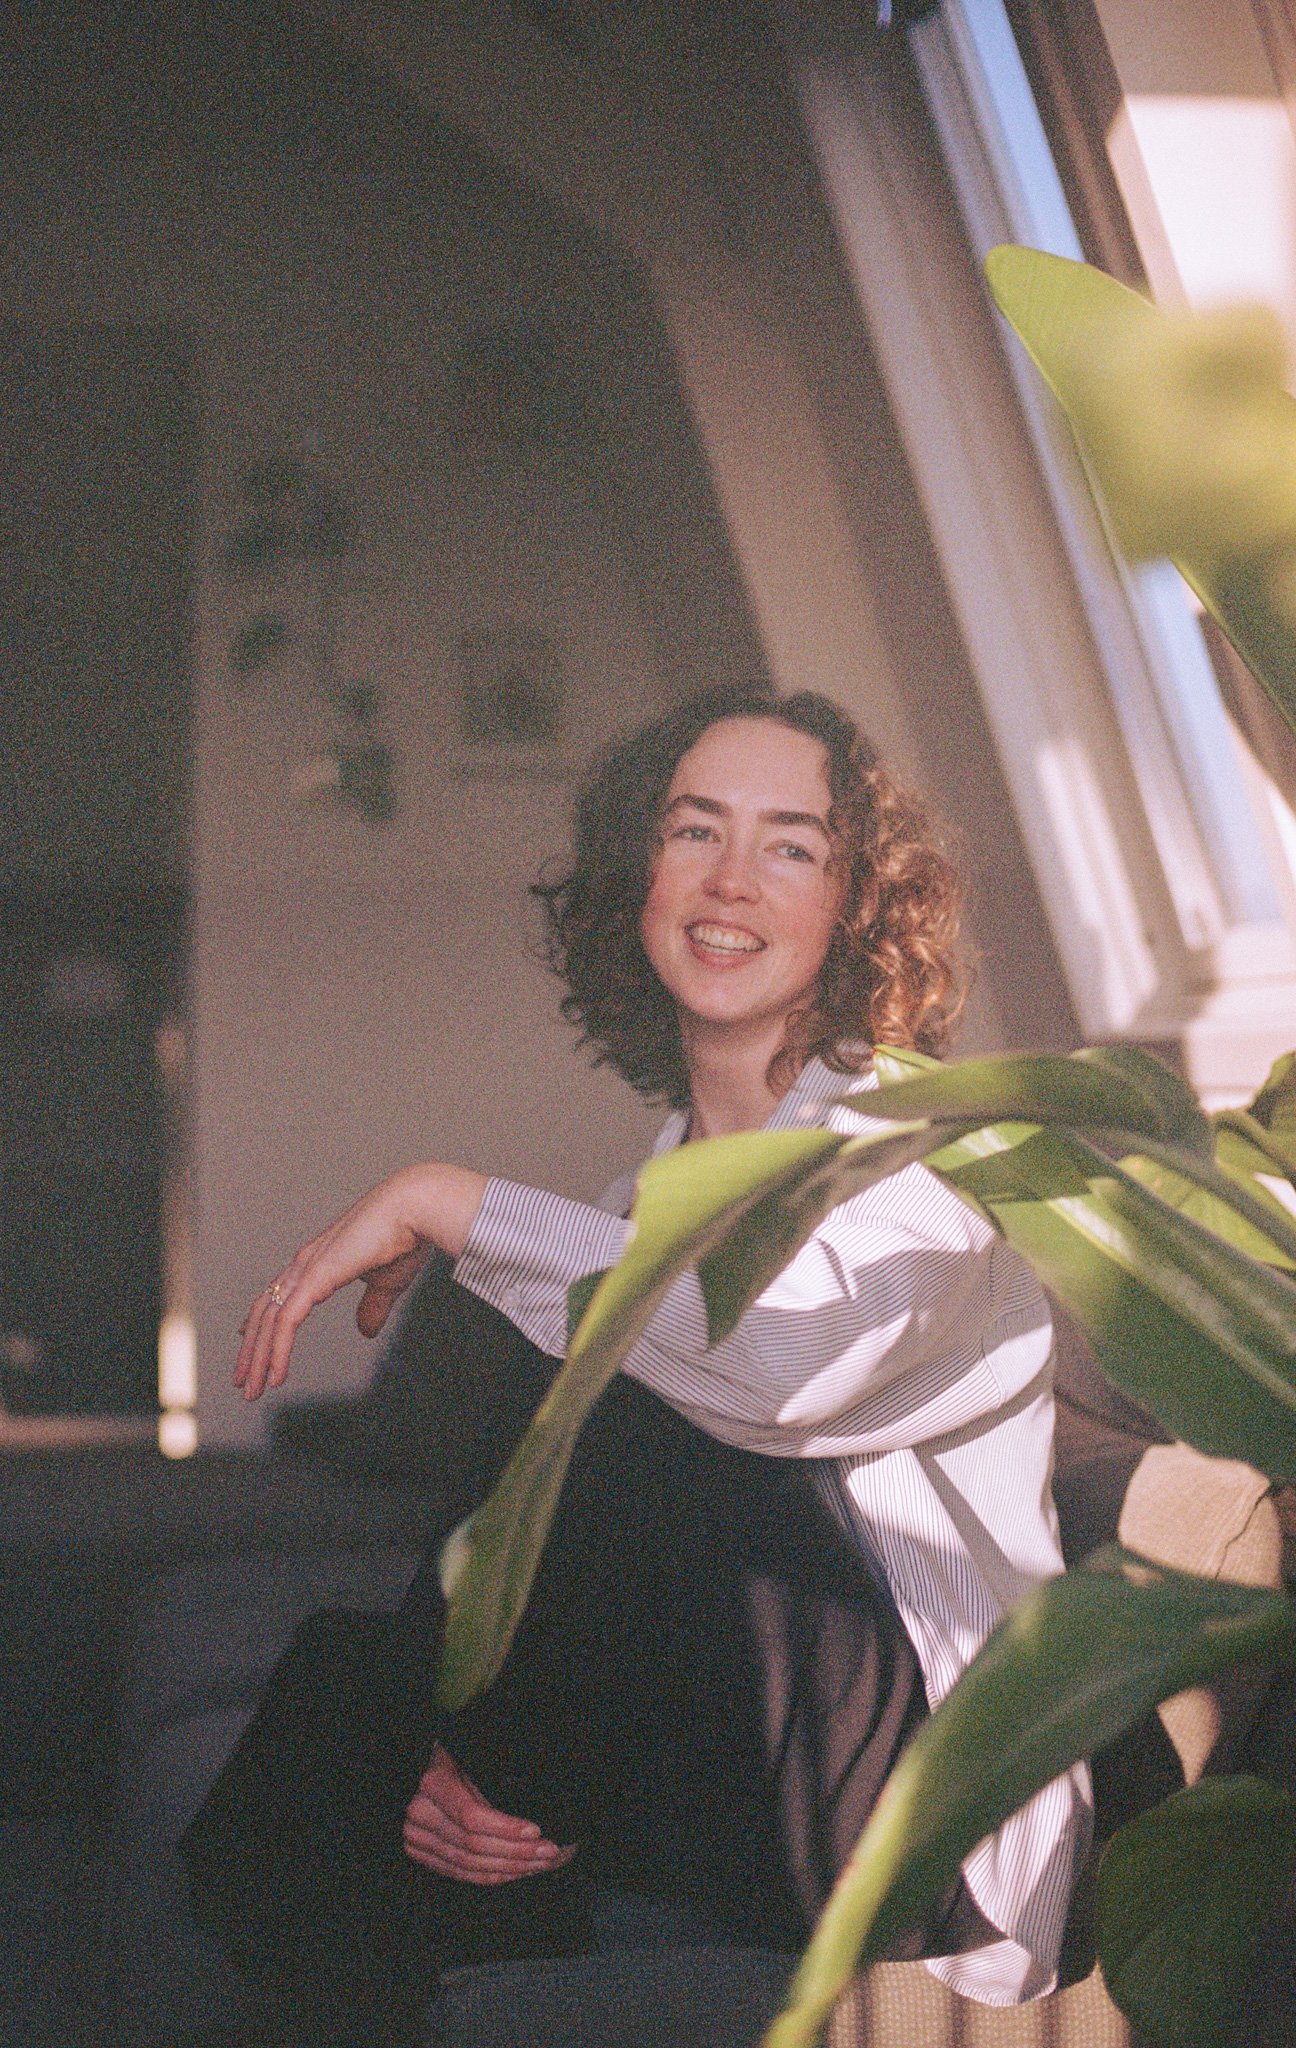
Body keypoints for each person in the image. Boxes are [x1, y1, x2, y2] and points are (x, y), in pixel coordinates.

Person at [235, 683, 1091, 2008]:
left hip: (929, 1808)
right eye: (696, 832)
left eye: (792, 845)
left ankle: (487, 1792)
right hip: (740, 1758)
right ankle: (476, 1795)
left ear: (858, 905)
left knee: (623, 1398)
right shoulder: (661, 1189)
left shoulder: (917, 1161)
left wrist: (450, 1201)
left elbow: (778, 1373)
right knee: (351, 1709)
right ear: (639, 875)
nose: (731, 881)